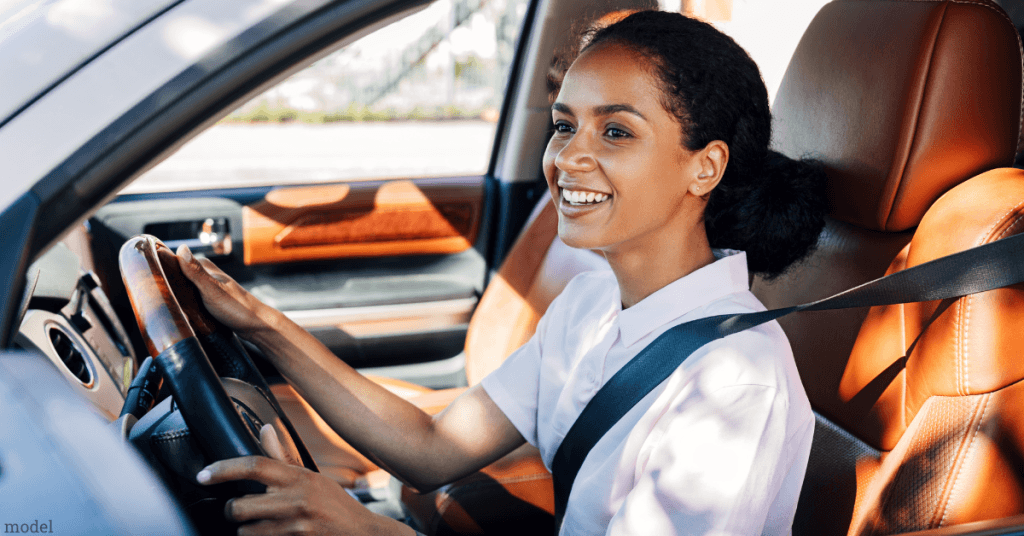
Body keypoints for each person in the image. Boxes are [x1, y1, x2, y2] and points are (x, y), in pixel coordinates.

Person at [179, 10, 827, 535]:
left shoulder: (736, 381)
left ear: (704, 168)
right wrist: (261, 325)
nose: (569, 157)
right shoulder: (591, 302)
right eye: (564, 125)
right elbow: (432, 444)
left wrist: (362, 529)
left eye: (617, 133)